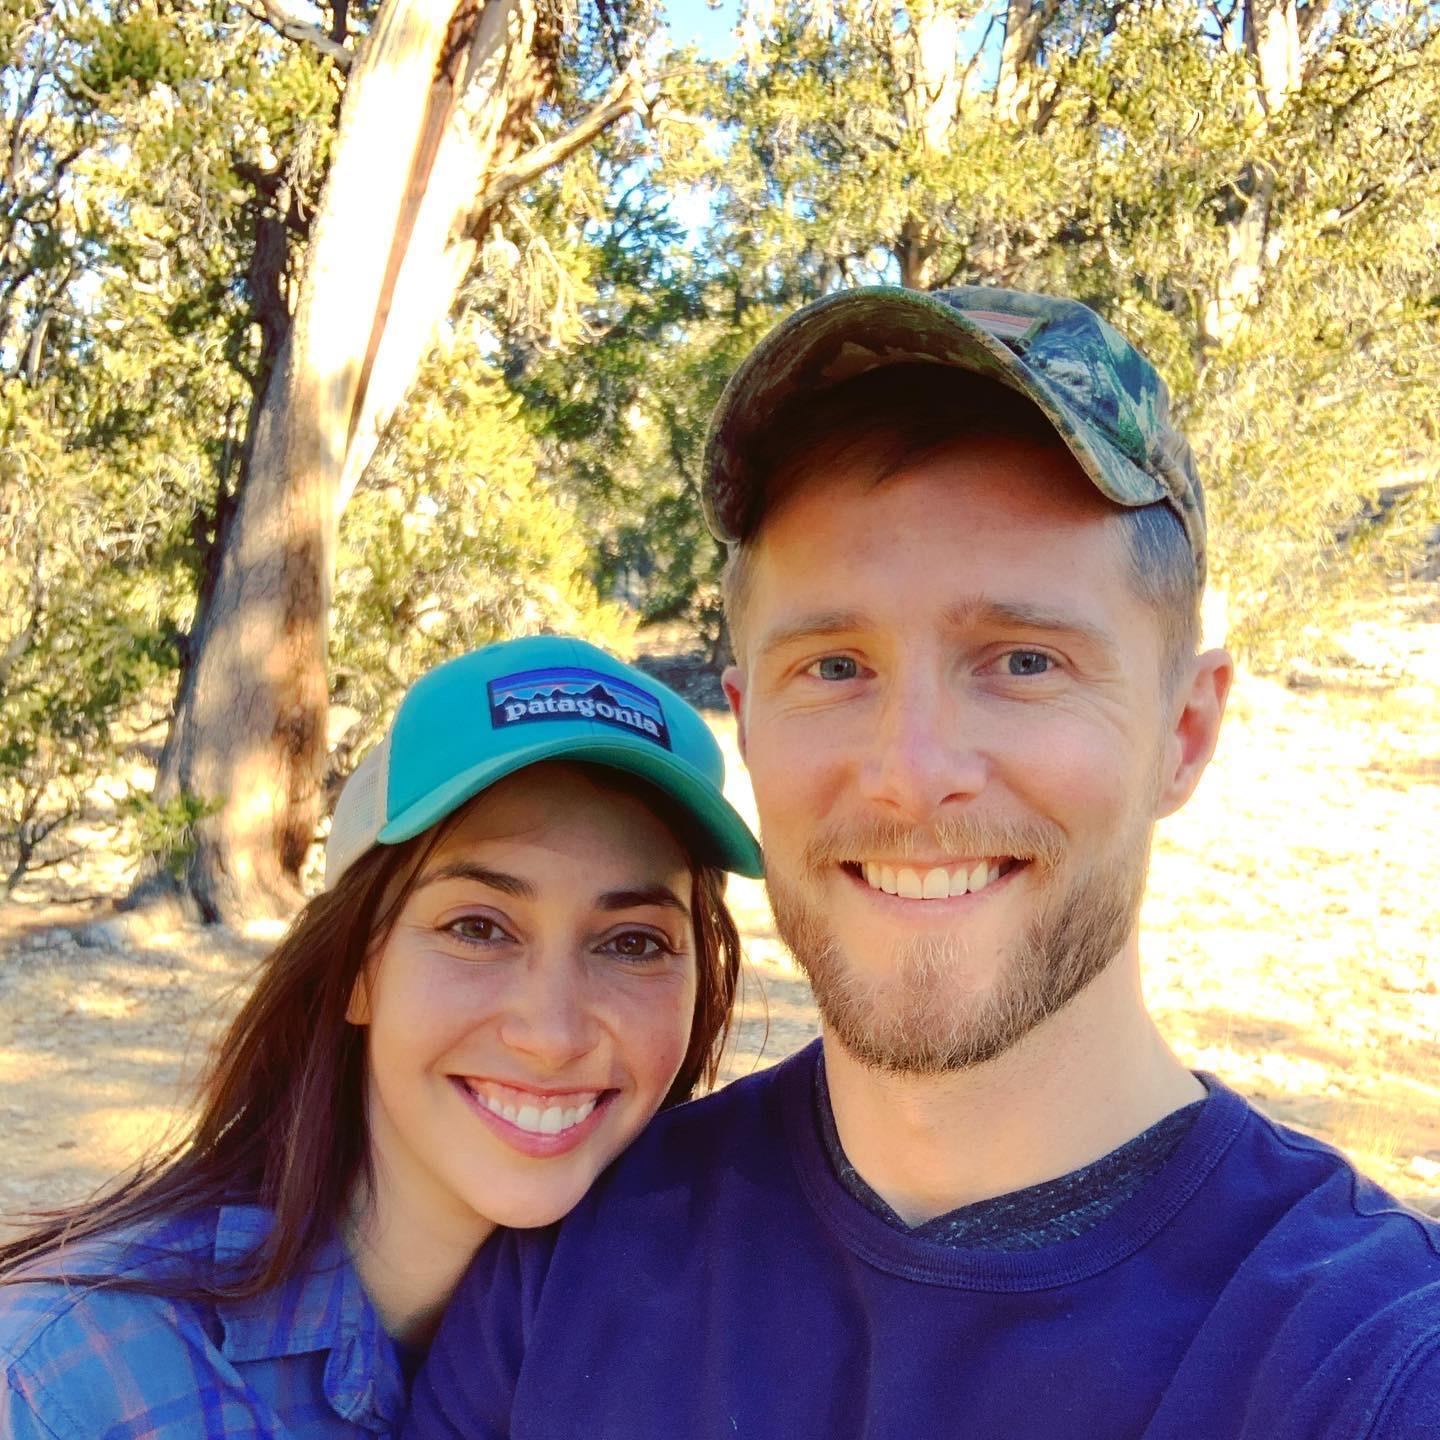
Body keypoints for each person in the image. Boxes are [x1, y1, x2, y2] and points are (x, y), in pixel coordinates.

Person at [408, 288, 1440, 1439]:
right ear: (750, 722)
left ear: (1185, 733)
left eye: (1024, 660)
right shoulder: (566, 1271)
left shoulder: (1364, 1364)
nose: (911, 772)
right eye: (835, 667)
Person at [0, 634, 762, 1438]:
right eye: (478, 927)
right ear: (356, 970)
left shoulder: (723, 1347)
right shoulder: (72, 1386)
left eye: (634, 943)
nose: (552, 1034)